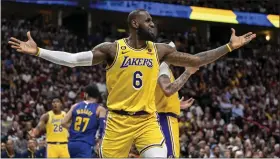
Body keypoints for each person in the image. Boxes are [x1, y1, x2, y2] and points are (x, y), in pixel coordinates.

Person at [8, 9, 256, 157]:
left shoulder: (159, 51)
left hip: (147, 120)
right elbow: (73, 60)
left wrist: (228, 47)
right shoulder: (112, 49)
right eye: (148, 21)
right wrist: (39, 51)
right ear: (134, 24)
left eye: (153, 21)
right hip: (117, 121)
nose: (153, 24)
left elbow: (195, 59)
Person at [155, 40, 198, 157]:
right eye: (173, 52)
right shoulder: (161, 67)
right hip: (164, 118)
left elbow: (157, 94)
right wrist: (188, 72)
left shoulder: (163, 69)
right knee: (171, 156)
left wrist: (176, 103)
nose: (176, 55)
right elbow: (168, 90)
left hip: (162, 116)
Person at [61, 84, 106, 158]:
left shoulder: (75, 106)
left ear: (86, 94)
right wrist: (100, 143)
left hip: (72, 143)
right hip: (86, 144)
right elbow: (102, 128)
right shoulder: (100, 109)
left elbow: (63, 122)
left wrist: (72, 129)